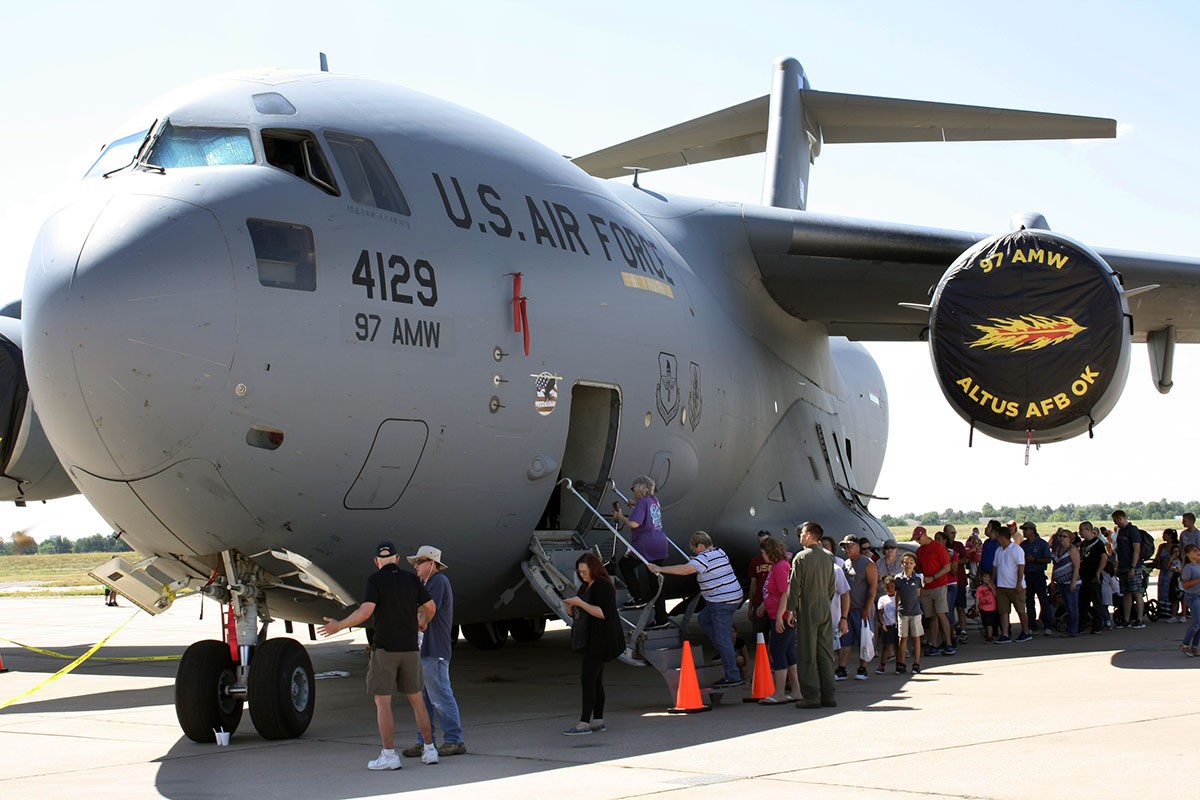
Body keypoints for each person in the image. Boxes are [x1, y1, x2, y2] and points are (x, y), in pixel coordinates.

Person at [319, 541, 439, 770]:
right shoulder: (411, 579)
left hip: (385, 650)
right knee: (417, 701)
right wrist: (423, 622)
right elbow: (431, 606)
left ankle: (389, 755)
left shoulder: (375, 580)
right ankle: (430, 750)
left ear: (376, 562)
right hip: (410, 649)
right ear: (397, 558)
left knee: (383, 702)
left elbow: (365, 612)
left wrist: (339, 626)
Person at [649, 531, 744, 687]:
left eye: (695, 549)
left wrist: (659, 569)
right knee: (704, 619)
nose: (694, 552)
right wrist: (696, 560)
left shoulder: (703, 560)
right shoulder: (719, 552)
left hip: (721, 602)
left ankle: (732, 675)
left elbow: (684, 570)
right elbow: (703, 564)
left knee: (723, 638)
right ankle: (727, 653)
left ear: (700, 546)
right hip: (733, 597)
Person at [400, 546, 465, 758]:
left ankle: (454, 739)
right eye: (416, 563)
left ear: (432, 563)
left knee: (439, 695)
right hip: (424, 649)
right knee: (425, 698)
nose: (416, 566)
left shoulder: (438, 581)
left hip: (434, 648)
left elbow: (428, 609)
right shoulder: (425, 583)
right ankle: (425, 741)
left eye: (420, 562)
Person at [562, 553, 625, 734]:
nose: (582, 575)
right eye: (580, 572)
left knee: (588, 680)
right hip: (589, 638)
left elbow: (603, 613)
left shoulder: (602, 585)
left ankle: (584, 723)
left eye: (585, 571)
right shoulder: (585, 586)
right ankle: (597, 720)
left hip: (600, 639)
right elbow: (578, 612)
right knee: (596, 681)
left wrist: (580, 603)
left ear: (594, 569)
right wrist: (571, 606)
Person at [783, 521, 838, 708]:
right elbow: (832, 586)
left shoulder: (801, 557)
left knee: (806, 652)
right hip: (824, 605)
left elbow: (795, 586)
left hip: (807, 605)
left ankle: (812, 696)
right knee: (824, 652)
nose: (800, 536)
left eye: (802, 533)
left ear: (809, 535)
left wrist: (790, 609)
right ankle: (828, 695)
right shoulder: (829, 557)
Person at [613, 476, 669, 626]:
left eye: (633, 489)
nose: (633, 492)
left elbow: (634, 524)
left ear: (640, 489)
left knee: (625, 564)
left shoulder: (642, 502)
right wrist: (635, 504)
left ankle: (638, 597)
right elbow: (646, 511)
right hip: (660, 542)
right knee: (656, 583)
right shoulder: (654, 501)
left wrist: (620, 516)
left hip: (645, 544)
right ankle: (662, 619)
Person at [758, 536, 799, 704]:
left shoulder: (780, 567)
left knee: (778, 651)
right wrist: (764, 605)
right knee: (788, 652)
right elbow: (774, 592)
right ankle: (795, 690)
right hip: (776, 614)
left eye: (763, 553)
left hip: (779, 617)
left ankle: (780, 692)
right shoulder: (777, 567)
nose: (762, 556)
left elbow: (785, 593)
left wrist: (781, 617)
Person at [837, 535, 878, 681]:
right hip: (848, 610)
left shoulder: (868, 564)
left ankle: (863, 668)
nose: (846, 549)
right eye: (844, 546)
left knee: (864, 639)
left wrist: (867, 608)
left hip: (862, 609)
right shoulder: (845, 564)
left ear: (857, 547)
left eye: (849, 545)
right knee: (845, 640)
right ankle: (842, 668)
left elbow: (873, 587)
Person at [913, 526, 954, 654]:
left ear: (925, 535)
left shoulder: (938, 548)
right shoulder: (920, 551)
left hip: (939, 585)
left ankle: (948, 643)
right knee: (931, 617)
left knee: (941, 614)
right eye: (916, 539)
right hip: (926, 588)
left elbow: (947, 567)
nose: (918, 541)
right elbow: (919, 567)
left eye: (919, 538)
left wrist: (934, 577)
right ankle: (934, 644)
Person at [992, 527, 1032, 643]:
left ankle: (1025, 631)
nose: (996, 539)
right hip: (1002, 586)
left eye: (997, 536)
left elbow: (1021, 566)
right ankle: (1005, 634)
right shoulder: (998, 550)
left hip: (1015, 586)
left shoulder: (1016, 549)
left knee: (1020, 609)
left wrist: (1019, 583)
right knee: (1003, 611)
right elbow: (995, 566)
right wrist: (992, 580)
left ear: (1002, 537)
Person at [1111, 510, 1146, 628]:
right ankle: (1126, 619)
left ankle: (1140, 619)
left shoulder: (1132, 530)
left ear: (1121, 518)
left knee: (1137, 592)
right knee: (1126, 593)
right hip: (1123, 566)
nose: (1115, 523)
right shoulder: (1121, 532)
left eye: (1116, 520)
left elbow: (1136, 549)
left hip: (1133, 566)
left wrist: (1133, 566)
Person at [1019, 522, 1053, 634]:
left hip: (1038, 574)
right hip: (1027, 575)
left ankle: (1048, 624)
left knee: (1043, 600)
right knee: (1029, 601)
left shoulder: (1042, 544)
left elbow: (1048, 559)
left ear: (1033, 530)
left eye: (1026, 529)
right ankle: (1032, 625)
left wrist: (1035, 560)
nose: (1024, 532)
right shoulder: (1023, 545)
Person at [893, 553, 923, 674]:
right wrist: (896, 610)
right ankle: (902, 663)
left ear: (914, 565)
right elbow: (897, 595)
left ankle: (916, 663)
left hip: (915, 612)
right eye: (905, 563)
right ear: (902, 564)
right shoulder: (898, 579)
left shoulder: (917, 579)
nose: (908, 565)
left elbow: (918, 593)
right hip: (903, 612)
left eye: (911, 563)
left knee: (916, 638)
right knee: (903, 638)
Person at [1077, 521, 1109, 634]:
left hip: (1093, 576)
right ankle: (1082, 623)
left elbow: (1104, 557)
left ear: (1088, 530)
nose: (1080, 532)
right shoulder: (1083, 544)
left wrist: (1098, 572)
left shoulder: (1098, 543)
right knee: (1083, 602)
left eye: (1082, 530)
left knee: (1096, 601)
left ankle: (1098, 624)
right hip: (1084, 576)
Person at [1051, 530, 1080, 636]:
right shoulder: (1058, 549)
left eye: (1064, 536)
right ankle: (1070, 628)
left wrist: (1073, 582)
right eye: (1060, 536)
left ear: (1070, 538)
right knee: (1067, 606)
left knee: (1072, 606)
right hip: (1061, 582)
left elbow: (1076, 566)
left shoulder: (1072, 549)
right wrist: (1053, 580)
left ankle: (1073, 630)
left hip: (1070, 582)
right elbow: (1055, 565)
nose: (1062, 538)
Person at [747, 530, 774, 637]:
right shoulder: (756, 561)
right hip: (759, 601)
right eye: (761, 542)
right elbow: (753, 585)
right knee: (760, 635)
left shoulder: (779, 561)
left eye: (766, 541)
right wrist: (750, 607)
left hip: (774, 603)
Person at [1178, 544, 1200, 657]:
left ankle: (1195, 646)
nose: (1198, 552)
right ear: (1188, 554)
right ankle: (1185, 644)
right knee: (1197, 623)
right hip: (1193, 596)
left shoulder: (1198, 565)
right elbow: (1185, 584)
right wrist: (1198, 581)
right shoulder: (1188, 568)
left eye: (1198, 550)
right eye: (1194, 551)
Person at [1155, 529, 1180, 621]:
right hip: (1163, 571)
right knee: (1162, 589)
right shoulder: (1162, 546)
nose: (1163, 536)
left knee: (1171, 589)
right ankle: (1162, 610)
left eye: (1164, 535)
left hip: (1172, 571)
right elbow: (1158, 557)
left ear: (1169, 536)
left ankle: (1171, 610)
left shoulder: (1176, 547)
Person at [875, 576, 898, 674]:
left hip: (897, 625)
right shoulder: (882, 599)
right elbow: (880, 613)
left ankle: (900, 664)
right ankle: (882, 665)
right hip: (888, 625)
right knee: (886, 646)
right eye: (887, 587)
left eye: (892, 586)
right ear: (885, 588)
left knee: (898, 646)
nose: (890, 589)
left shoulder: (898, 597)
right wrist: (882, 623)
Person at [976, 570, 999, 643]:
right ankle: (988, 634)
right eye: (985, 577)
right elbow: (977, 598)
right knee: (985, 622)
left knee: (990, 622)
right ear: (981, 578)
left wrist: (991, 587)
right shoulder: (979, 588)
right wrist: (976, 607)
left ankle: (990, 636)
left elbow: (995, 595)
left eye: (988, 577)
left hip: (991, 608)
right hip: (983, 607)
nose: (986, 579)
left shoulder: (992, 586)